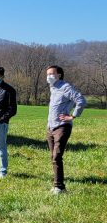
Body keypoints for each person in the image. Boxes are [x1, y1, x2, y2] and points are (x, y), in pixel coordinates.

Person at [46, 65, 86, 194]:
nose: (49, 76)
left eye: (52, 74)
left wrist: (73, 116)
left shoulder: (65, 87)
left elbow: (81, 100)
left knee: (57, 155)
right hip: (50, 127)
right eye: (47, 74)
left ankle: (59, 187)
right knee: (53, 156)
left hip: (62, 127)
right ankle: (57, 183)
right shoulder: (53, 88)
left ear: (59, 75)